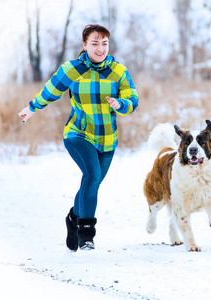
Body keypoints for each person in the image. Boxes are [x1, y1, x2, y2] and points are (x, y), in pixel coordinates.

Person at [18, 24, 139, 251]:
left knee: (92, 183)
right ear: (84, 45)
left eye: (104, 43)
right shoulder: (72, 69)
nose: (100, 48)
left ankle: (73, 217)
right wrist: (32, 108)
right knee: (92, 175)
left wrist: (120, 103)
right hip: (78, 133)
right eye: (95, 43)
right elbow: (51, 90)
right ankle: (86, 233)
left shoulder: (118, 71)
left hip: (107, 139)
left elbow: (132, 99)